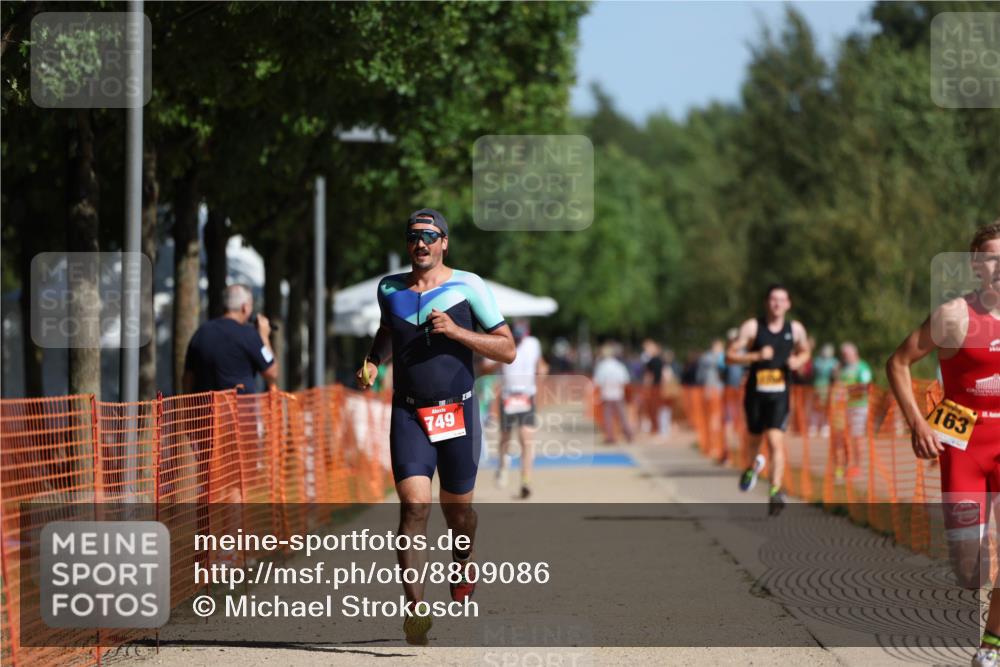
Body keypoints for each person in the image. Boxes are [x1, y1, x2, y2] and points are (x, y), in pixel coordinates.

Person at [356, 208, 515, 646]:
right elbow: (389, 329)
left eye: (429, 235)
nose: (420, 243)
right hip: (409, 414)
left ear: (445, 242)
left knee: (458, 514)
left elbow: (507, 350)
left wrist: (457, 333)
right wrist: (374, 358)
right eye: (413, 236)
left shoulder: (469, 286)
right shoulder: (389, 287)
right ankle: (416, 612)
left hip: (458, 414)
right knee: (413, 508)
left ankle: (463, 560)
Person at [886, 220, 1000, 667]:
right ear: (976, 265)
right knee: (970, 569)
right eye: (991, 257)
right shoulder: (954, 315)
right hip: (964, 444)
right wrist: (919, 424)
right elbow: (896, 363)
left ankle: (991, 645)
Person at [726, 284, 811, 516]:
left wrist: (798, 361)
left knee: (775, 441)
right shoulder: (753, 327)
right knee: (754, 440)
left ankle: (775, 491)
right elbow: (730, 356)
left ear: (788, 304)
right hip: (755, 393)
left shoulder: (795, 329)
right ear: (767, 302)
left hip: (780, 395)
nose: (777, 304)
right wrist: (755, 355)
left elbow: (805, 350)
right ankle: (751, 468)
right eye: (773, 299)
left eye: (782, 300)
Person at [181, 284, 279, 394]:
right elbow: (272, 372)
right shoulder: (249, 335)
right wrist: (264, 337)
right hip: (241, 409)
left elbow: (188, 378)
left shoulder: (201, 333)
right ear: (245, 307)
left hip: (207, 409)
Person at [493, 320, 548, 499]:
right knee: (505, 438)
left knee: (526, 439)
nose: (518, 342)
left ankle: (526, 480)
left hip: (526, 397)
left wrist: (542, 375)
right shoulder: (503, 341)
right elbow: (488, 364)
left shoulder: (533, 344)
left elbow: (541, 365)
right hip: (508, 396)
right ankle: (502, 466)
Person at [837, 342, 872, 480]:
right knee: (844, 438)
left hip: (859, 407)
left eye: (847, 355)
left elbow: (865, 387)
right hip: (844, 408)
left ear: (854, 354)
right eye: (843, 355)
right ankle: (846, 465)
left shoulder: (862, 367)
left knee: (857, 437)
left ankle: (858, 466)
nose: (845, 357)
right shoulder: (843, 369)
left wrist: (847, 391)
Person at [593, 342, 634, 444]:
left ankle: (610, 436)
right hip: (618, 393)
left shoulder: (602, 366)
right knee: (622, 415)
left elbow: (598, 381)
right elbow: (625, 380)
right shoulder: (619, 365)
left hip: (607, 394)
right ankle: (628, 434)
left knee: (608, 416)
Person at [811, 343, 839, 437]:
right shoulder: (817, 361)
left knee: (827, 408)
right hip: (817, 387)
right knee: (816, 408)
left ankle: (825, 426)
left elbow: (836, 376)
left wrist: (835, 374)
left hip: (829, 388)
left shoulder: (834, 362)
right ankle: (814, 426)